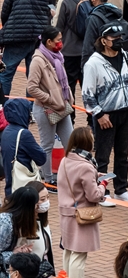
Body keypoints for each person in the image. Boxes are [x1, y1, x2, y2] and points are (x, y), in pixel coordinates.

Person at [82, 21, 128, 203]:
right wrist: (98, 114)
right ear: (104, 40)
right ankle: (102, 191)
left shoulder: (127, 58)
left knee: (123, 153)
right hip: (105, 115)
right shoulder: (93, 63)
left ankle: (121, 189)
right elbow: (87, 94)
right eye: (115, 38)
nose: (119, 41)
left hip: (124, 112)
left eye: (121, 37)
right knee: (103, 155)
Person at [57, 126, 106, 278]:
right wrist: (103, 185)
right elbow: (94, 195)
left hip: (66, 212)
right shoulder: (85, 165)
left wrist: (94, 177)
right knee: (79, 255)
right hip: (81, 215)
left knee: (69, 252)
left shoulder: (66, 160)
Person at [1, 0, 53, 96]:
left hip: (15, 37)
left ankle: (2, 107)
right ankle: (31, 111)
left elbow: (5, 12)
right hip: (37, 37)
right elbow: (48, 12)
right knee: (34, 77)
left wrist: (9, 27)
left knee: (6, 74)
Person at [26, 25, 73, 184]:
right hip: (45, 109)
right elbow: (31, 87)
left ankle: (72, 174)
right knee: (47, 145)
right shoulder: (38, 60)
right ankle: (48, 179)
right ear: (49, 42)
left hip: (62, 107)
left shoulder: (57, 56)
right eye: (58, 40)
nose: (61, 42)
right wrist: (50, 99)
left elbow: (63, 81)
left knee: (70, 142)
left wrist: (68, 98)